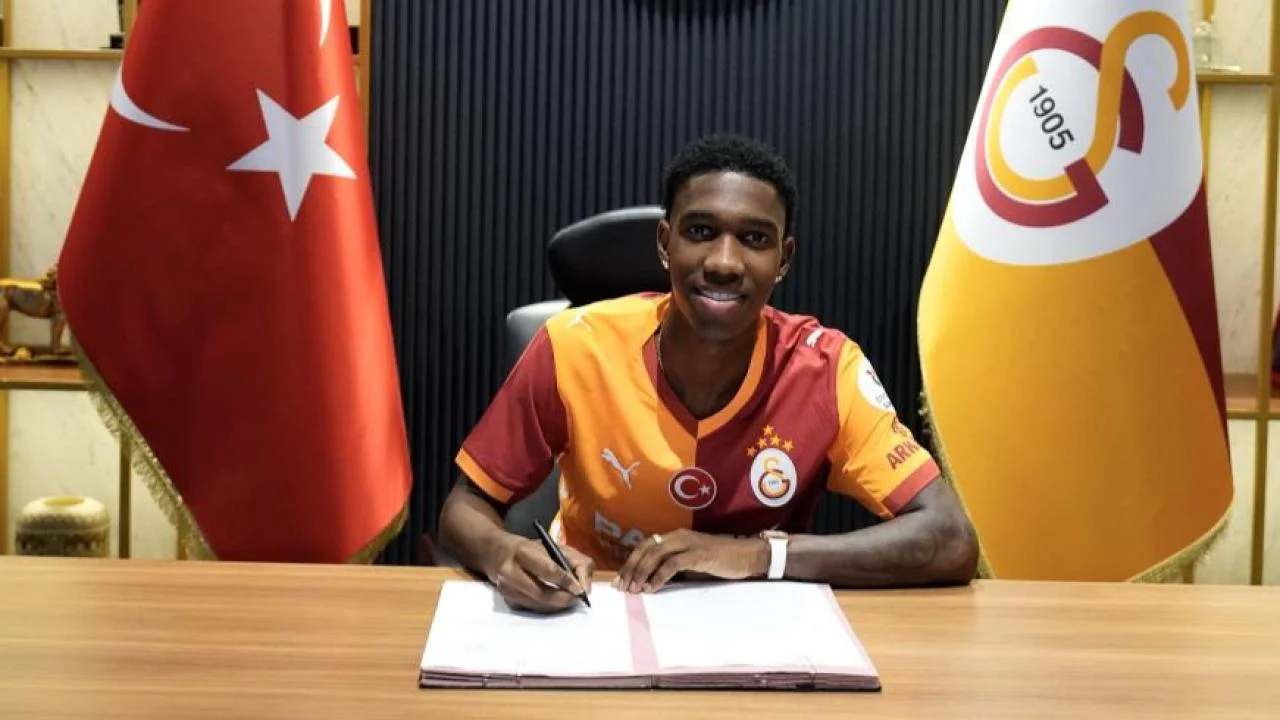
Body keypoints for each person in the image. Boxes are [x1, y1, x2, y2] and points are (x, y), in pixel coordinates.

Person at [438, 133, 979, 613]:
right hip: (593, 612)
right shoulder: (573, 345)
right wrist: (504, 552)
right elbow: (465, 506)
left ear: (784, 259)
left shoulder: (827, 369)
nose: (724, 261)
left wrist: (758, 555)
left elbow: (951, 538)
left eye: (755, 239)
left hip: (754, 632)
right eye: (700, 231)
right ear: (664, 243)